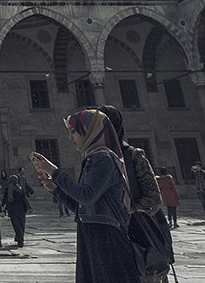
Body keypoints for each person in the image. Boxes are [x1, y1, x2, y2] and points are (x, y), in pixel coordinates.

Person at [31, 108, 140, 283]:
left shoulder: (103, 158)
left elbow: (86, 196)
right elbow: (81, 207)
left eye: (74, 132)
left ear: (89, 131)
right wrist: (55, 189)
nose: (70, 138)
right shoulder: (91, 159)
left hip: (107, 238)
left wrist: (54, 171)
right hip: (92, 235)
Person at [1, 173, 29, 247]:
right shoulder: (20, 188)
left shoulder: (8, 188)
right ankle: (20, 238)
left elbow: (5, 198)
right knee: (22, 224)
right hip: (22, 209)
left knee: (16, 225)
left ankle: (20, 239)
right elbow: (24, 198)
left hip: (13, 209)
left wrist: (2, 205)